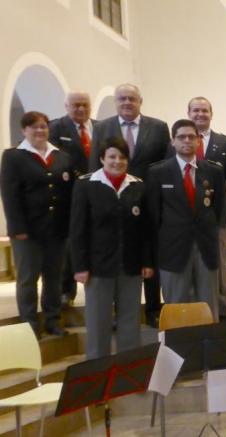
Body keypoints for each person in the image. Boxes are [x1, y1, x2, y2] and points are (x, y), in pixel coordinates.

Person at [91, 83, 172, 327]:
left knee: (150, 255)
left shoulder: (158, 127)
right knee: (119, 255)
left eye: (132, 99)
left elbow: (166, 166)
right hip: (114, 202)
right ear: (116, 102)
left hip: (148, 201)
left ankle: (153, 309)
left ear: (140, 101)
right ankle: (121, 311)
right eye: (122, 99)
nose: (127, 102)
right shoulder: (102, 127)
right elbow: (94, 165)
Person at [70, 138, 152, 358]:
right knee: (98, 322)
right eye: (112, 157)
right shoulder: (86, 185)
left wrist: (147, 261)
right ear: (102, 159)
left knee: (130, 321)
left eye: (122, 157)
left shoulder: (138, 185)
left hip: (131, 266)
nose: (117, 161)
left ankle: (128, 372)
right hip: (97, 268)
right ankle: (98, 374)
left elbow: (145, 230)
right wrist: (80, 266)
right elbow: (77, 230)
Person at [0, 111, 74, 336]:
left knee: (54, 277)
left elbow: (67, 193)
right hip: (28, 231)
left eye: (43, 126)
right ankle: (29, 324)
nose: (40, 131)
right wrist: (17, 228)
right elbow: (10, 195)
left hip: (56, 230)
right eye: (34, 127)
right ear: (24, 130)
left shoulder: (61, 156)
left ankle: (52, 320)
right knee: (27, 279)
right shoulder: (14, 156)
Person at [146, 119, 226, 321]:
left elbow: (219, 211)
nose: (187, 141)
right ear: (173, 141)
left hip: (205, 249)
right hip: (173, 250)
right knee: (177, 310)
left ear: (199, 141)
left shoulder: (214, 171)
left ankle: (209, 351)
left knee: (209, 308)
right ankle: (178, 353)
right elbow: (153, 217)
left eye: (192, 136)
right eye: (181, 137)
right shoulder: (158, 172)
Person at [187, 97, 226, 320]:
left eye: (204, 111)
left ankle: (224, 310)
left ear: (211, 114)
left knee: (221, 264)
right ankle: (198, 309)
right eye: (196, 110)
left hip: (218, 215)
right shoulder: (178, 142)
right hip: (188, 218)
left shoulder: (225, 143)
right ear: (189, 113)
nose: (200, 114)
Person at [49, 91, 96, 307]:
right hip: (69, 196)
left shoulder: (99, 127)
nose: (81, 109)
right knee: (69, 247)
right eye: (76, 105)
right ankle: (66, 292)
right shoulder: (55, 128)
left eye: (85, 105)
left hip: (97, 195)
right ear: (66, 106)